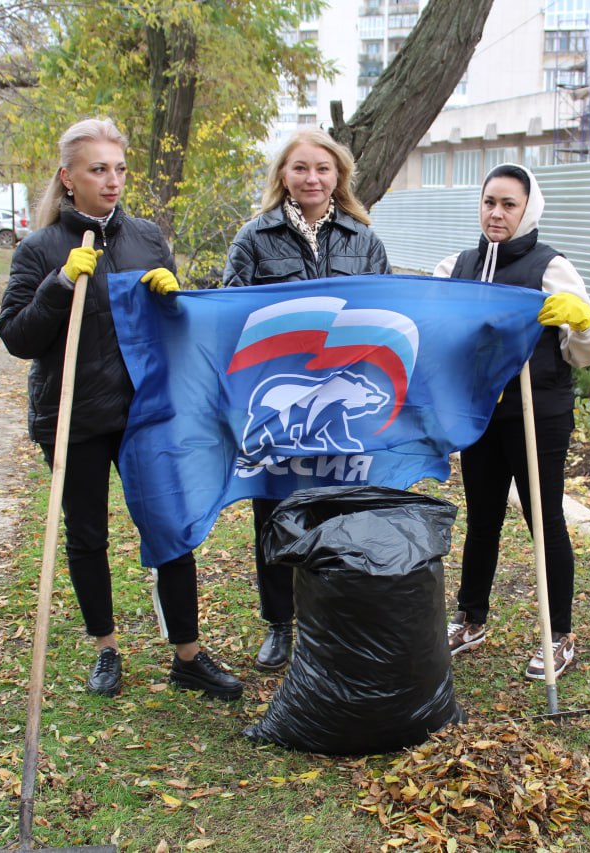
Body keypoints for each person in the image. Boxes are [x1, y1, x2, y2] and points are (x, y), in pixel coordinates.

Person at [0, 117, 242, 701]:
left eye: (120, 169)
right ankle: (106, 649)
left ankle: (187, 656)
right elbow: (17, 337)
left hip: (144, 412)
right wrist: (59, 284)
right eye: (98, 170)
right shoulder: (40, 249)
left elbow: (177, 331)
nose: (112, 181)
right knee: (88, 536)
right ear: (69, 178)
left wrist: (173, 298)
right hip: (74, 416)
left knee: (172, 528)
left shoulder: (146, 238)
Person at [222, 127, 391, 672]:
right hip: (279, 404)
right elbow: (229, 314)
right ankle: (279, 623)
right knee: (274, 512)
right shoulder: (254, 238)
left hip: (342, 403)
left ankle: (335, 620)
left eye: (322, 168)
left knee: (340, 511)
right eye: (300, 167)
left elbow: (386, 313)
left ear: (339, 175)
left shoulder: (364, 240)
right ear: (283, 175)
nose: (312, 178)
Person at [434, 163, 590, 681]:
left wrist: (581, 321)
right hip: (482, 412)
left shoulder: (550, 268)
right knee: (483, 517)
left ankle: (559, 634)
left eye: (509, 204)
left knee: (543, 518)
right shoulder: (457, 267)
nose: (497, 213)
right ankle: (471, 618)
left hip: (538, 413)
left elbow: (588, 350)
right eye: (489, 202)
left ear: (528, 209)